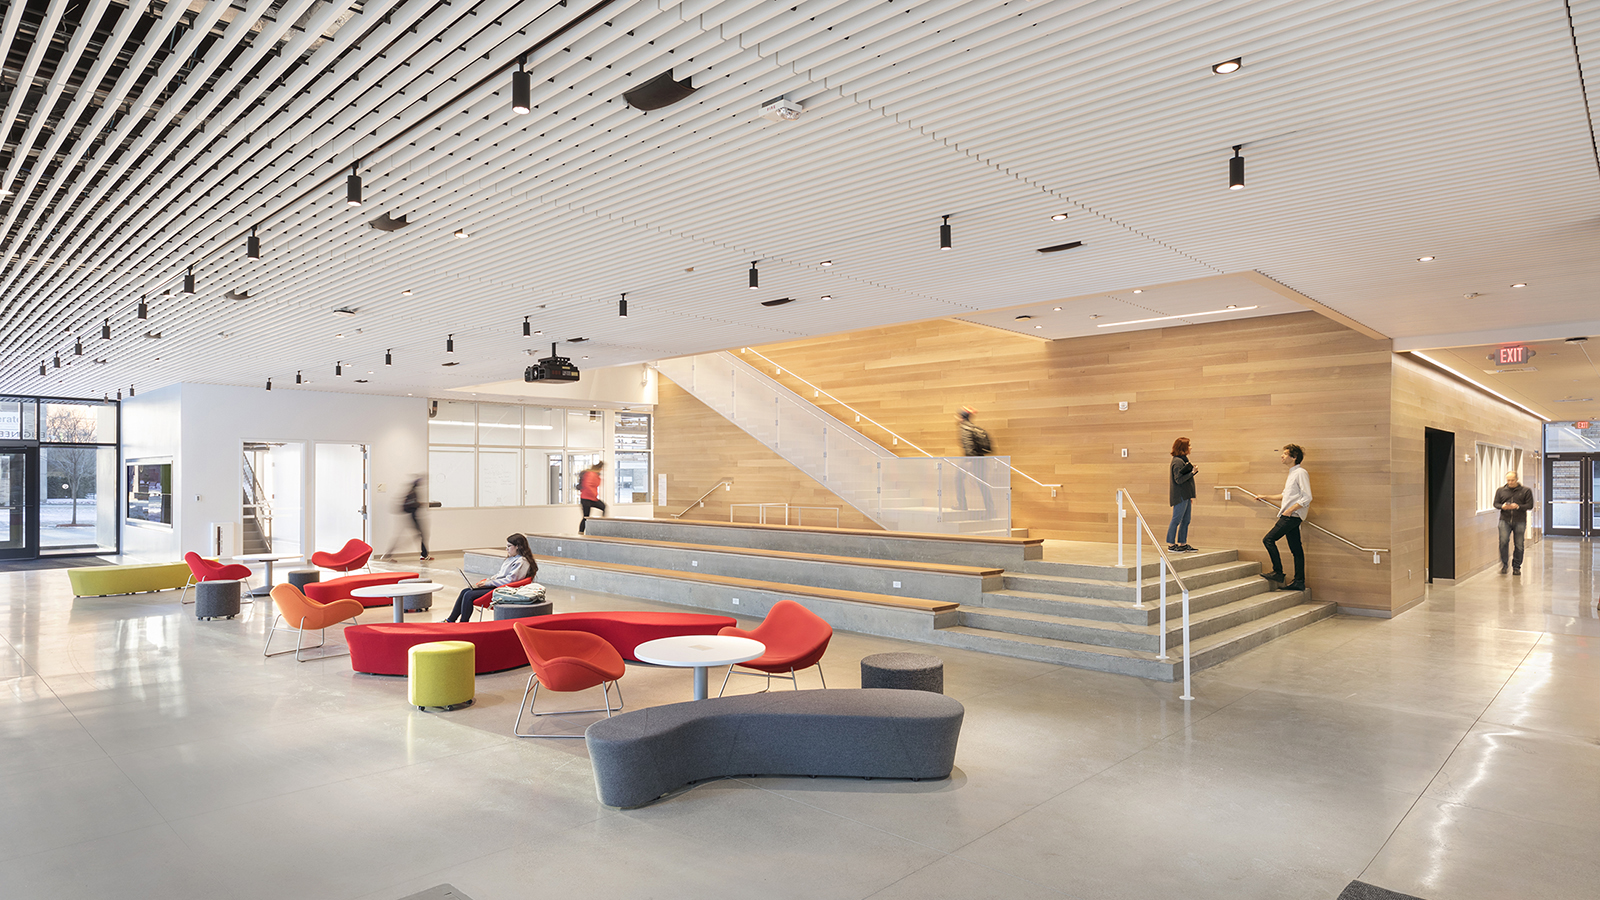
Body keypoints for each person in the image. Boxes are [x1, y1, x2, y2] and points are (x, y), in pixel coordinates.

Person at [444, 534, 536, 623]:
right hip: (499, 585)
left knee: (469, 595)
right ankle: (450, 620)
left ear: (517, 546)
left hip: (504, 589)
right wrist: (488, 580)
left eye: (509, 546)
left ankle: (463, 623)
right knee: (465, 591)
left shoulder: (521, 562)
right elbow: (500, 574)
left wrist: (489, 583)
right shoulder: (511, 558)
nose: (506, 548)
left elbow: (510, 580)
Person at [1258, 444, 1311, 591]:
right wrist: (1265, 497)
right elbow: (1285, 496)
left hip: (1292, 515)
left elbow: (1307, 497)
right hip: (1292, 515)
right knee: (1296, 550)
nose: (1282, 456)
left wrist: (1290, 510)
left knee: (1268, 539)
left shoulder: (1300, 472)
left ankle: (1278, 572)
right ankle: (1299, 581)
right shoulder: (1292, 473)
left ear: (1294, 458)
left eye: (1286, 454)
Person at [1492, 470, 1534, 575]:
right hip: (1504, 520)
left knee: (1519, 544)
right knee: (1503, 542)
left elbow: (1529, 505)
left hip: (1519, 521)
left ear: (1517, 479)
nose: (1510, 482)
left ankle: (1516, 567)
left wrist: (1518, 506)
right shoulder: (1501, 491)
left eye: (1512, 480)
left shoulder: (1525, 491)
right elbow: (1496, 504)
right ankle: (1504, 565)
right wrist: (1503, 506)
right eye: (1508, 480)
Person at [954, 407, 993, 514]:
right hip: (980, 459)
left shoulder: (964, 428)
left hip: (971, 459)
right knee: (983, 485)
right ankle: (990, 509)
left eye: (958, 416)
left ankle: (962, 504)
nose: (956, 418)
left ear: (961, 418)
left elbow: (968, 446)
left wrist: (969, 463)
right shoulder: (973, 427)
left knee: (957, 479)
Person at [1167, 437, 1198, 552]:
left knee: (1186, 520)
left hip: (1185, 495)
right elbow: (1178, 480)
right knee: (1176, 519)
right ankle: (1171, 544)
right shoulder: (1177, 462)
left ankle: (1182, 543)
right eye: (1189, 445)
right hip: (1180, 496)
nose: (1190, 447)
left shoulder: (1183, 460)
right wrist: (1192, 473)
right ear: (1183, 447)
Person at [400, 476, 431, 561]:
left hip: (413, 516)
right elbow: (413, 504)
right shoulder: (412, 493)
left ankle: (424, 554)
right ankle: (424, 554)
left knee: (421, 535)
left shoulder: (411, 492)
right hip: (412, 516)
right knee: (422, 535)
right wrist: (420, 504)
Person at [577, 461, 607, 534]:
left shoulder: (595, 475)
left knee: (603, 506)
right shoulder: (591, 474)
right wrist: (594, 495)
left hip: (591, 498)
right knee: (586, 517)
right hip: (586, 498)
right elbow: (587, 486)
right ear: (599, 468)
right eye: (601, 468)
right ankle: (581, 532)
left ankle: (602, 526)